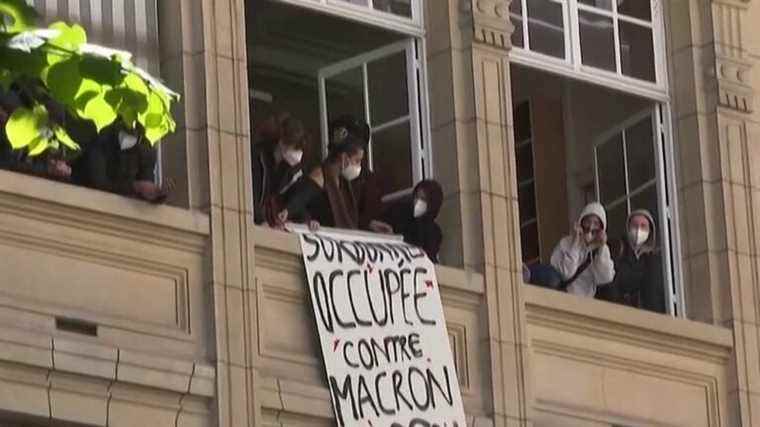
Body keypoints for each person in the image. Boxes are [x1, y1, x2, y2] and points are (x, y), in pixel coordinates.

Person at [276, 134, 366, 229]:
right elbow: (300, 199)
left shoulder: (343, 181)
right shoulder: (321, 175)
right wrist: (307, 220)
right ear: (344, 158)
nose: (359, 165)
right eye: (357, 161)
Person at [72, 120, 171, 203]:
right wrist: (135, 187)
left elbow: (146, 192)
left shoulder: (145, 151)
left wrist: (159, 194)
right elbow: (97, 182)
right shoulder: (102, 141)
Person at [328, 115, 392, 234]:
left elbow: (367, 217)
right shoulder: (322, 175)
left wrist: (369, 224)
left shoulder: (368, 181)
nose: (342, 159)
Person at [597, 210, 666, 313]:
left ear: (650, 231)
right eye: (634, 225)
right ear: (628, 228)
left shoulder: (651, 260)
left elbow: (654, 293)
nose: (638, 230)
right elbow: (610, 285)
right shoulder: (616, 248)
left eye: (643, 226)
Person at [547, 202, 615, 297]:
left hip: (585, 302)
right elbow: (566, 274)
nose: (591, 227)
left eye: (595, 223)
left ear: (601, 228)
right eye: (588, 221)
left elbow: (605, 278)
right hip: (564, 296)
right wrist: (576, 243)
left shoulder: (602, 249)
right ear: (581, 222)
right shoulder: (566, 243)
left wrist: (601, 247)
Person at [251, 114, 307, 225]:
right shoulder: (257, 157)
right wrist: (261, 220)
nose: (297, 154)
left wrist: (306, 220)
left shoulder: (293, 171)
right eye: (294, 148)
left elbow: (295, 199)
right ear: (282, 143)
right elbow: (253, 194)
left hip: (270, 223)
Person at [383, 180, 443, 263]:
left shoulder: (434, 232)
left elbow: (427, 255)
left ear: (432, 204)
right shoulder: (400, 216)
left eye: (423, 199)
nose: (418, 202)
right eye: (416, 197)